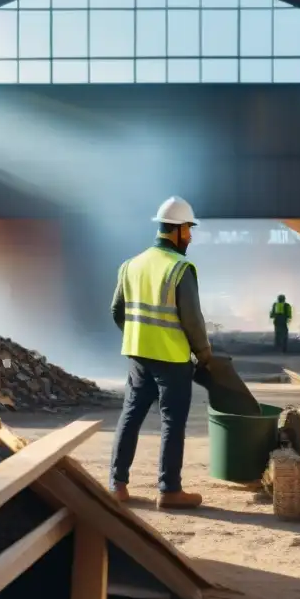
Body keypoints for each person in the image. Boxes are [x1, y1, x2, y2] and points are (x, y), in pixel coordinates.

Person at [108, 196, 210, 510]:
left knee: (130, 415)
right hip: (173, 360)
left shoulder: (130, 265)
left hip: (138, 355)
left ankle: (117, 485)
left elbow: (116, 311)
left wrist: (138, 337)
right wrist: (204, 354)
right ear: (177, 230)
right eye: (189, 230)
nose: (191, 236)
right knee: (172, 422)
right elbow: (192, 319)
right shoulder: (181, 268)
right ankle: (169, 491)